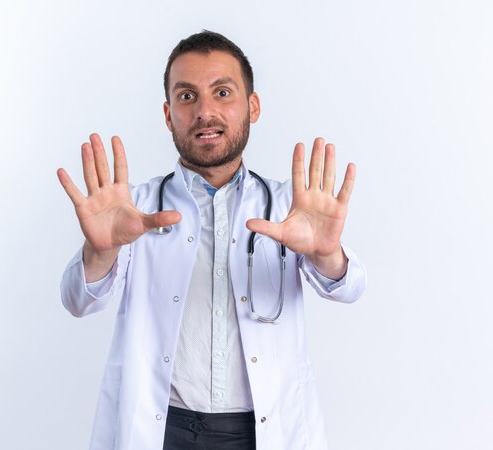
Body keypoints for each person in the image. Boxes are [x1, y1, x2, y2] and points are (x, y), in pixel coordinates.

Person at [57, 30, 366, 450]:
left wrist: (327, 254)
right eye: (187, 97)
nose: (205, 111)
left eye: (223, 92)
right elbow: (78, 300)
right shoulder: (137, 210)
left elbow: (350, 289)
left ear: (252, 106)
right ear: (168, 115)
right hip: (162, 429)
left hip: (262, 430)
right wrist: (102, 248)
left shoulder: (289, 208)